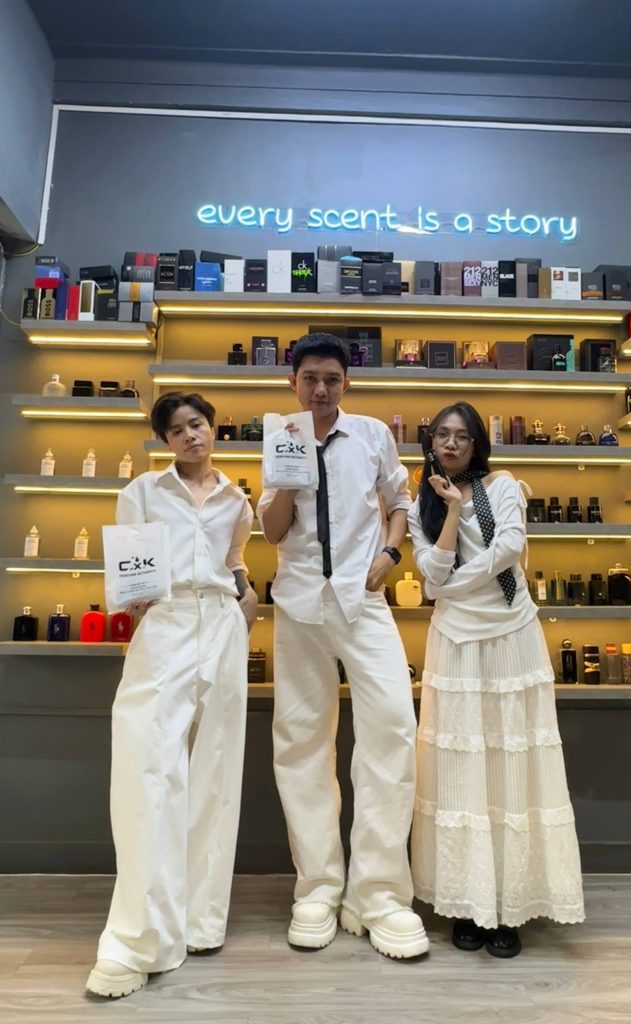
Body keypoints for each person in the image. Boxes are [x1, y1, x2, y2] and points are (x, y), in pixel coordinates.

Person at [257, 332, 428, 960]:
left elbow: (400, 503)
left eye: (331, 378)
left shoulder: (373, 435)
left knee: (393, 727)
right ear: (293, 382)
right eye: (310, 378)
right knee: (301, 740)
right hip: (300, 602)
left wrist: (390, 552)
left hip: (365, 599)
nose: (321, 389)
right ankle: (318, 888)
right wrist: (284, 475)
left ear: (346, 383)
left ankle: (379, 894)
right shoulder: (280, 436)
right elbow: (272, 531)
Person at [86, 392, 258, 998]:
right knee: (149, 769)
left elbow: (234, 558)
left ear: (213, 429)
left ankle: (199, 920)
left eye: (198, 424)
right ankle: (138, 938)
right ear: (165, 440)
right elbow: (130, 566)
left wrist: (246, 593)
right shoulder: (143, 491)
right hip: (166, 620)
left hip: (223, 623)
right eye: (177, 429)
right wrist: (133, 597)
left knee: (217, 771)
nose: (190, 435)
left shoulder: (237, 498)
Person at [408, 401, 584, 958]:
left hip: (512, 634)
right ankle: (467, 902)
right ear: (430, 442)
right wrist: (453, 512)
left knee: (512, 767)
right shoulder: (420, 504)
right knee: (461, 772)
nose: (451, 444)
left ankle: (510, 905)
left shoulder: (504, 485)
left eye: (461, 436)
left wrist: (449, 585)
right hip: (455, 642)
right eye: (442, 435)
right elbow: (429, 574)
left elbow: (508, 549)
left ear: (477, 443)